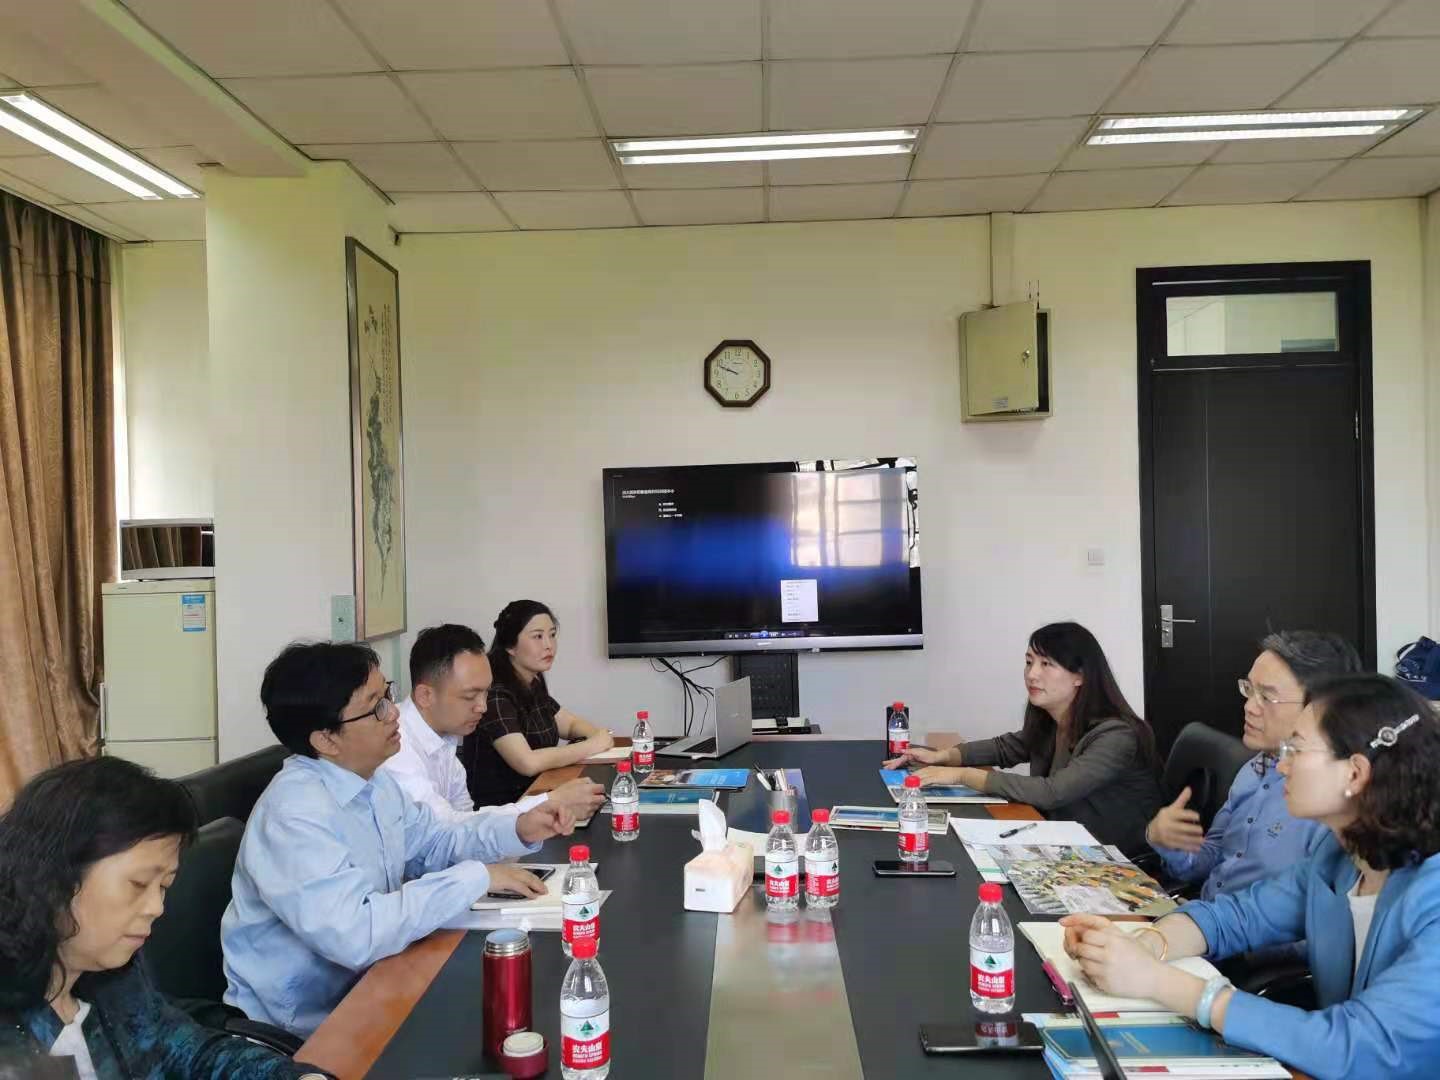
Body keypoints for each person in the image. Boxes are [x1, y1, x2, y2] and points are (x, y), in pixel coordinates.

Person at [1061, 674, 1440, 1080]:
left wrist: (1158, 981)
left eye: (1296, 749)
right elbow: (1238, 916)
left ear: (1355, 773)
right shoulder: (1338, 859)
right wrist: (1144, 945)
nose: (1282, 765)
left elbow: (1360, 1046)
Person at [222, 641, 575, 1038]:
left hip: (375, 981)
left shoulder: (374, 781)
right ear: (326, 740)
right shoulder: (294, 814)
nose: (393, 713)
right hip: (305, 1028)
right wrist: (476, 878)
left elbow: (435, 842)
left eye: (387, 695)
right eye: (376, 707)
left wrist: (518, 828)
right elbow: (356, 934)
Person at [0, 757, 326, 1078]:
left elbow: (192, 1052)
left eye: (164, 886)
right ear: (54, 876)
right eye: (139, 883)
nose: (156, 907)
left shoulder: (112, 981)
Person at [885, 622, 1162, 854]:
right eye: (1029, 662)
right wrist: (943, 756)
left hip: (1113, 858)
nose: (1032, 674)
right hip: (1064, 840)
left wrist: (962, 775)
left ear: (1080, 676)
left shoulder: (1116, 735)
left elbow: (1053, 792)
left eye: (1046, 664)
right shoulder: (1053, 720)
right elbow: (1006, 748)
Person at [1146, 630, 1361, 900]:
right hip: (1207, 914)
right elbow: (1214, 858)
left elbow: (1296, 914)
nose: (1249, 707)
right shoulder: (1254, 768)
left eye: (1267, 697)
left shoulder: (1329, 803)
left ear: (1319, 708)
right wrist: (1168, 842)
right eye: (1249, 690)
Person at [380, 623, 605, 821]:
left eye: (486, 692)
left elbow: (466, 821)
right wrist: (549, 802)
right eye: (470, 696)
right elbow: (445, 829)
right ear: (425, 696)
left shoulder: (444, 738)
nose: (483, 706)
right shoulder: (395, 747)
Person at [459, 600, 615, 807]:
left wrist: (596, 735)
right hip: (505, 811)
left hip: (539, 793)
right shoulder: (495, 693)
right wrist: (592, 745)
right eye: (538, 636)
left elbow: (569, 724)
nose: (549, 645)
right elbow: (527, 762)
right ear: (510, 646)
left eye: (552, 635)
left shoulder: (531, 681)